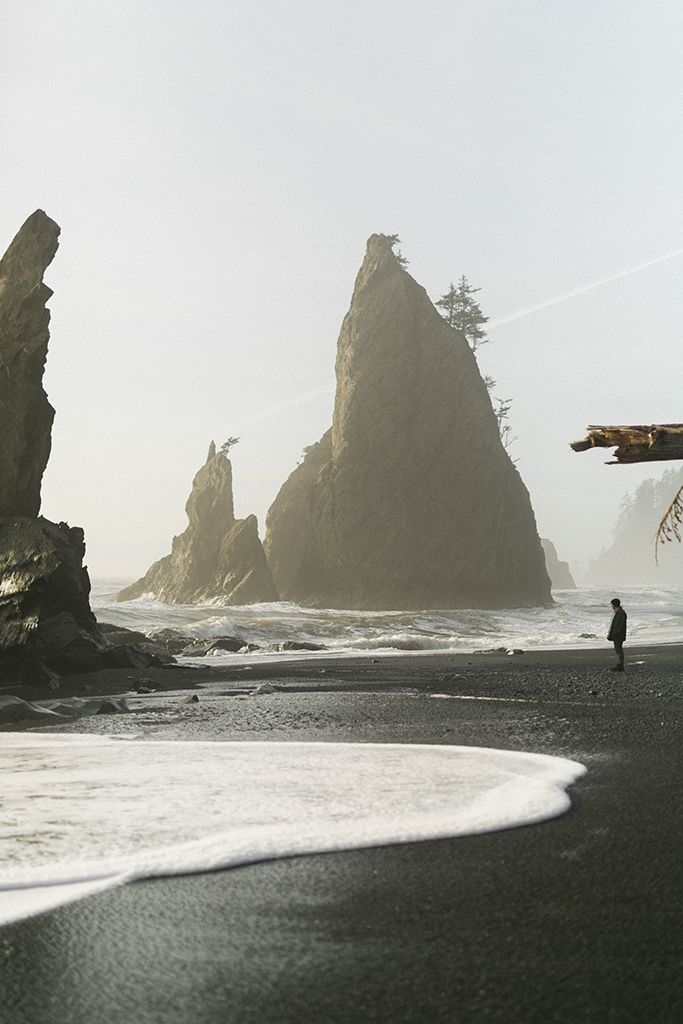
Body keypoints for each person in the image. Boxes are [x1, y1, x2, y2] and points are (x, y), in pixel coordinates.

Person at [607, 597, 627, 671]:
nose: (611, 606)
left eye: (612, 604)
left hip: (619, 635)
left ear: (614, 605)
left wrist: (614, 634)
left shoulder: (621, 613)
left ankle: (621, 664)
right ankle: (620, 664)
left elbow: (620, 626)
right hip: (617, 634)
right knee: (618, 649)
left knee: (619, 649)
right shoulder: (618, 612)